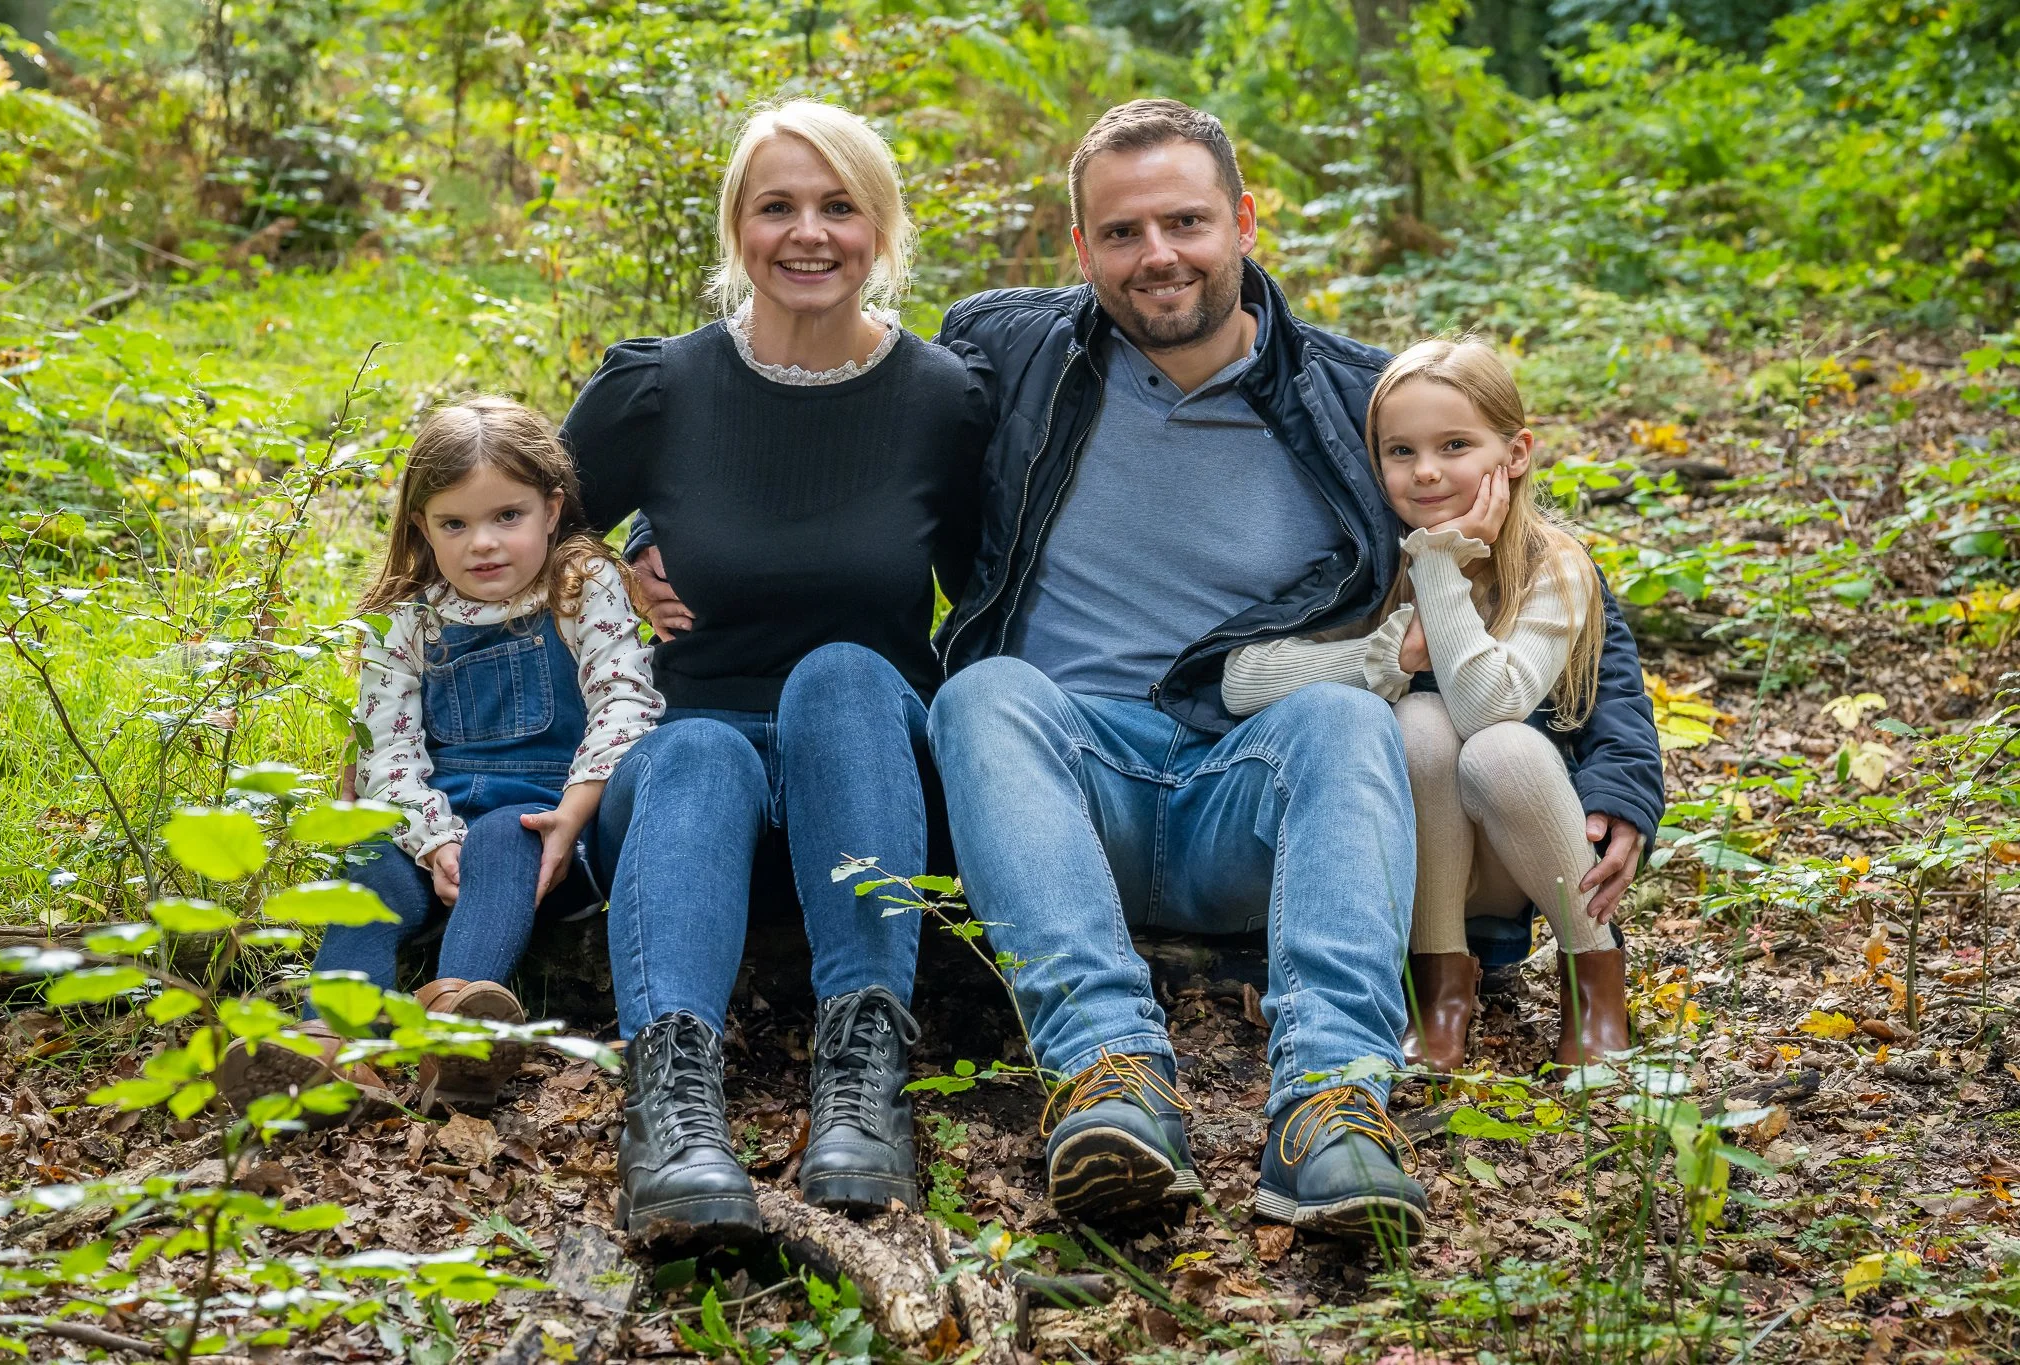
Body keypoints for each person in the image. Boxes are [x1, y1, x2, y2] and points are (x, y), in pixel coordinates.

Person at [920, 99, 1664, 1241]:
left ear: (1245, 221)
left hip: (1258, 790)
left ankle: (1330, 1100)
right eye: (1121, 232)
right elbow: (847, 429)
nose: (1157, 255)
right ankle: (1108, 1075)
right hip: (1066, 788)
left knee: (1348, 717)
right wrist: (654, 547)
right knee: (981, 694)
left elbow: (1537, 561)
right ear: (1080, 248)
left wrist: (1617, 771)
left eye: (1185, 221)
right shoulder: (1008, 353)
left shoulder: (1354, 400)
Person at [559, 100, 993, 1239]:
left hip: (866, 762)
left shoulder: (942, 400)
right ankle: (672, 1110)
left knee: (841, 673)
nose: (808, 233)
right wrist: (604, 570)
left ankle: (862, 1086)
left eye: (838, 206)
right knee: (698, 746)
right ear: (736, 229)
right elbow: (510, 532)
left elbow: (990, 596)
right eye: (777, 207)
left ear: (880, 229)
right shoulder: (658, 390)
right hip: (687, 764)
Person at [216, 395, 663, 1123]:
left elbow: (624, 702)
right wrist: (432, 840)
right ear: (422, 526)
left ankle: (457, 1022)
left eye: (507, 516)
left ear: (552, 509)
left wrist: (573, 811)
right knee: (368, 859)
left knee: (505, 834)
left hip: (553, 832)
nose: (482, 543)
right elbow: (386, 750)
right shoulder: (408, 618)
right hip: (430, 827)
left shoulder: (581, 587)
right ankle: (327, 1043)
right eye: (455, 524)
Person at [1223, 337, 1643, 1072]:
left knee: (1500, 746)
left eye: (1455, 445)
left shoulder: (1552, 565)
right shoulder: (1367, 562)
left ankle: (1595, 986)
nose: (1425, 471)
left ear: (1516, 453)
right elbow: (1240, 680)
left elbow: (1491, 707)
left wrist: (1442, 564)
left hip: (1523, 853)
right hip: (1414, 866)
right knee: (1415, 721)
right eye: (1400, 451)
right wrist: (1386, 658)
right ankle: (1438, 991)